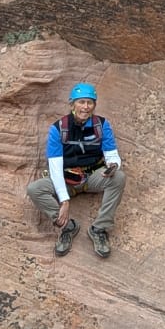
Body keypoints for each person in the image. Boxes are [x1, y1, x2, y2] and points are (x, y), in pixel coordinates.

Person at [27, 82, 126, 259]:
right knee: (35, 189)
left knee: (119, 177)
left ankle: (99, 229)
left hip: (92, 176)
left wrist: (113, 166)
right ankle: (67, 227)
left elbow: (112, 154)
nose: (85, 107)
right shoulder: (59, 128)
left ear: (94, 105)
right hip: (66, 179)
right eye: (81, 102)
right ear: (72, 104)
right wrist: (64, 200)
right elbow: (55, 167)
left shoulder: (101, 125)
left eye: (90, 102)